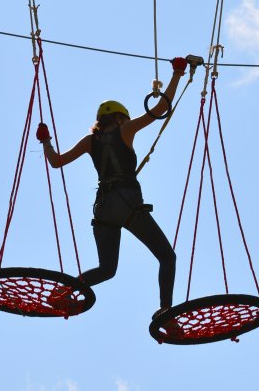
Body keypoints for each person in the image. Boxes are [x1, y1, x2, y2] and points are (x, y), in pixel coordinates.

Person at [35, 56, 188, 324]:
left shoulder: (89, 141)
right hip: (125, 203)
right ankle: (166, 311)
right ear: (119, 118)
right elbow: (161, 107)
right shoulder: (125, 129)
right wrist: (177, 73)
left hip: (103, 209)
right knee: (167, 256)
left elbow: (56, 162)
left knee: (107, 270)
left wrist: (46, 141)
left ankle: (63, 292)